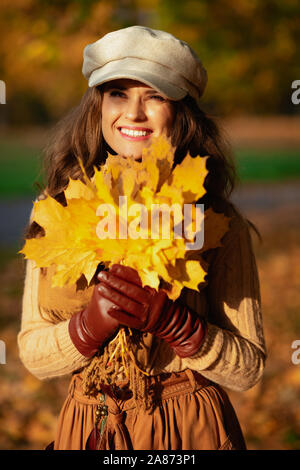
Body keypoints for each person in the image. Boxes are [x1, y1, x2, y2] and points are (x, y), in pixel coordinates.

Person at [18, 25, 266, 451]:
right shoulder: (58, 206)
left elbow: (248, 368)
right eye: (118, 93)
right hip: (90, 425)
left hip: (187, 428)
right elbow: (33, 352)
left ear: (182, 112)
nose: (133, 113)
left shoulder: (212, 218)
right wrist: (86, 328)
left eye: (155, 96)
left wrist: (180, 326)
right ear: (97, 105)